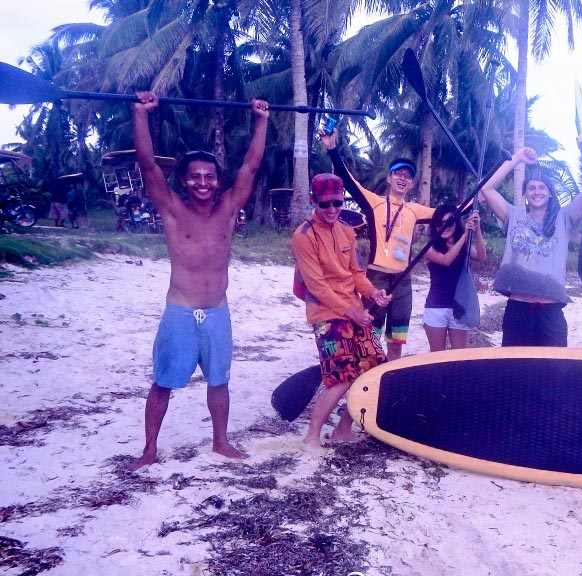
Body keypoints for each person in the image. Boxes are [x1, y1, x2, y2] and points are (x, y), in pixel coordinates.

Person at [127, 91, 268, 472]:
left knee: (219, 381)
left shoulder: (228, 208)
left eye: (209, 176)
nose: (202, 182)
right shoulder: (172, 209)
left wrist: (261, 120)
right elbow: (147, 165)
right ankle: (149, 449)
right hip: (181, 312)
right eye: (195, 177)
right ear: (185, 181)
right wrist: (141, 114)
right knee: (163, 383)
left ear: (217, 181)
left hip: (217, 313)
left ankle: (220, 441)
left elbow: (251, 167)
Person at [292, 173, 391, 449]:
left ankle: (342, 429)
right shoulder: (303, 236)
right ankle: (312, 436)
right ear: (313, 201)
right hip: (326, 313)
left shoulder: (347, 230)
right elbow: (316, 287)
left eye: (337, 202)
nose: (332, 209)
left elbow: (357, 274)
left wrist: (373, 293)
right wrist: (352, 312)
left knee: (374, 369)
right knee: (342, 375)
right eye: (325, 204)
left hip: (354, 310)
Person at [318, 129, 434, 360]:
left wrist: (481, 194)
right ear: (389, 178)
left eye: (407, 176)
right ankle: (367, 375)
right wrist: (332, 148)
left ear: (411, 183)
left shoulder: (414, 210)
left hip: (403, 281)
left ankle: (390, 377)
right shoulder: (375, 203)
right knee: (370, 337)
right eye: (398, 173)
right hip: (376, 279)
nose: (402, 178)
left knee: (396, 341)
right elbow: (348, 182)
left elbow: (449, 213)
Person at [478, 146, 582, 347]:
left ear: (550, 194)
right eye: (531, 188)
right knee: (515, 365)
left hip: (551, 313)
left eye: (542, 188)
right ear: (525, 194)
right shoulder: (513, 216)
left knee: (552, 366)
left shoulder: (563, 218)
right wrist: (516, 158)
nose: (537, 192)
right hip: (517, 310)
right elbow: (487, 189)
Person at [422, 203, 486, 351]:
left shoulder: (463, 245)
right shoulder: (430, 247)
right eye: (439, 223)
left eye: (449, 222)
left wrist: (477, 230)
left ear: (456, 223)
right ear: (434, 226)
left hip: (459, 306)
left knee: (459, 356)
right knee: (437, 357)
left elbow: (481, 256)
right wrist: (465, 235)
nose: (444, 227)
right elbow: (446, 260)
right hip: (436, 307)